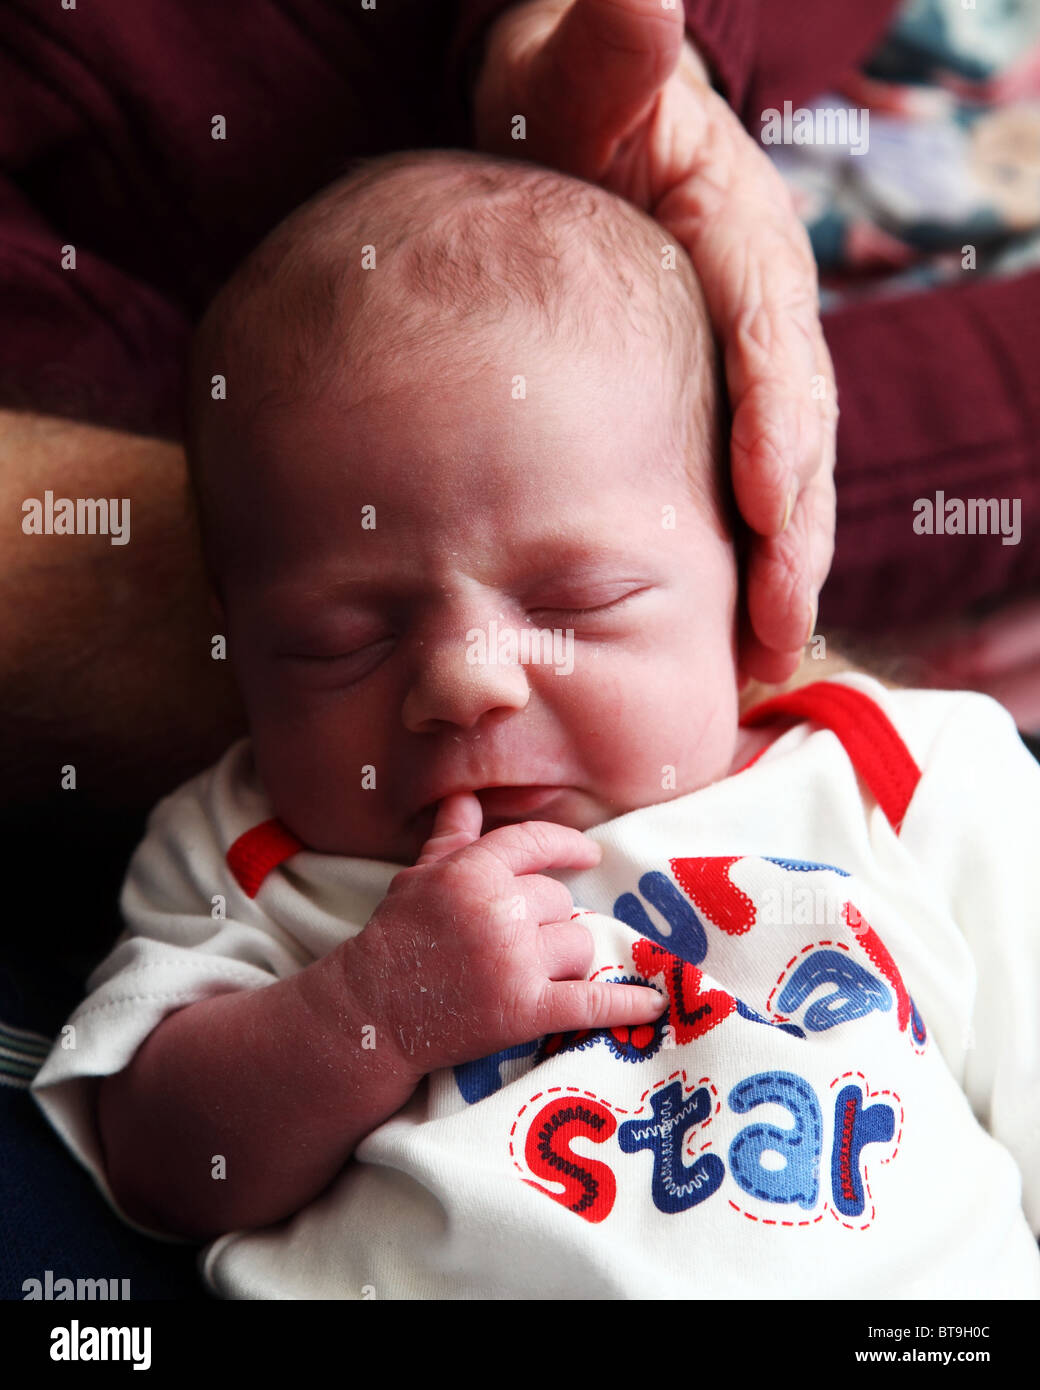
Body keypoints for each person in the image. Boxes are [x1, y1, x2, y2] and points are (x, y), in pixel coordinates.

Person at [32, 150, 1040, 1298]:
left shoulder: (902, 777)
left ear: (758, 563)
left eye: (576, 604)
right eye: (340, 639)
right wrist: (368, 1010)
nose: (465, 683)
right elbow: (165, 1167)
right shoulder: (253, 848)